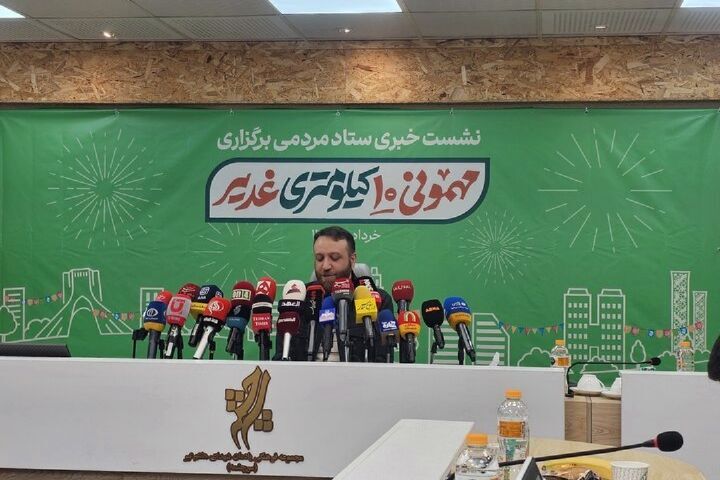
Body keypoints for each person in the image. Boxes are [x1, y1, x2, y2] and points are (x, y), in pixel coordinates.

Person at [289, 226, 394, 362]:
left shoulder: (378, 299)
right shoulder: (299, 299)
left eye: (334, 258)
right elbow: (281, 358)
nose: (325, 266)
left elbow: (383, 360)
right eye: (319, 258)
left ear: (352, 259)